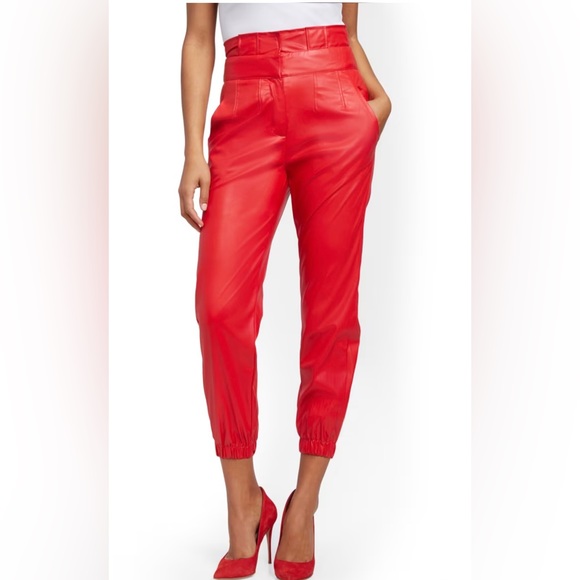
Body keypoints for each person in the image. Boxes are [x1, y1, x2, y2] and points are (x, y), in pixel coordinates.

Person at [178, 3, 391, 579]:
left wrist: (374, 108)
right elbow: (198, 36)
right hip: (245, 103)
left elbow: (347, 30)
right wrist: (193, 149)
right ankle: (244, 500)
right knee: (219, 308)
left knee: (331, 312)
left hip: (335, 96)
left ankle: (306, 502)